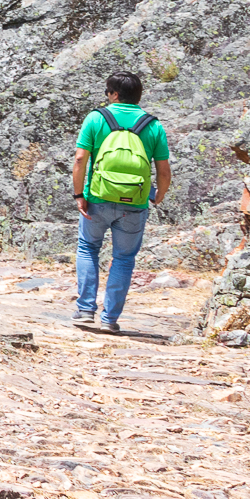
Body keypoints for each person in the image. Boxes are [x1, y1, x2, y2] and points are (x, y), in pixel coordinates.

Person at [72, 69, 172, 333]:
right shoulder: (153, 125)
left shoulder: (96, 118)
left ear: (114, 94)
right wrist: (159, 194)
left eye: (108, 93)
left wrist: (79, 194)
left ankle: (85, 310)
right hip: (135, 203)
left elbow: (80, 159)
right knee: (124, 259)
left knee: (87, 248)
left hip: (97, 198)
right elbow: (163, 170)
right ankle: (109, 319)